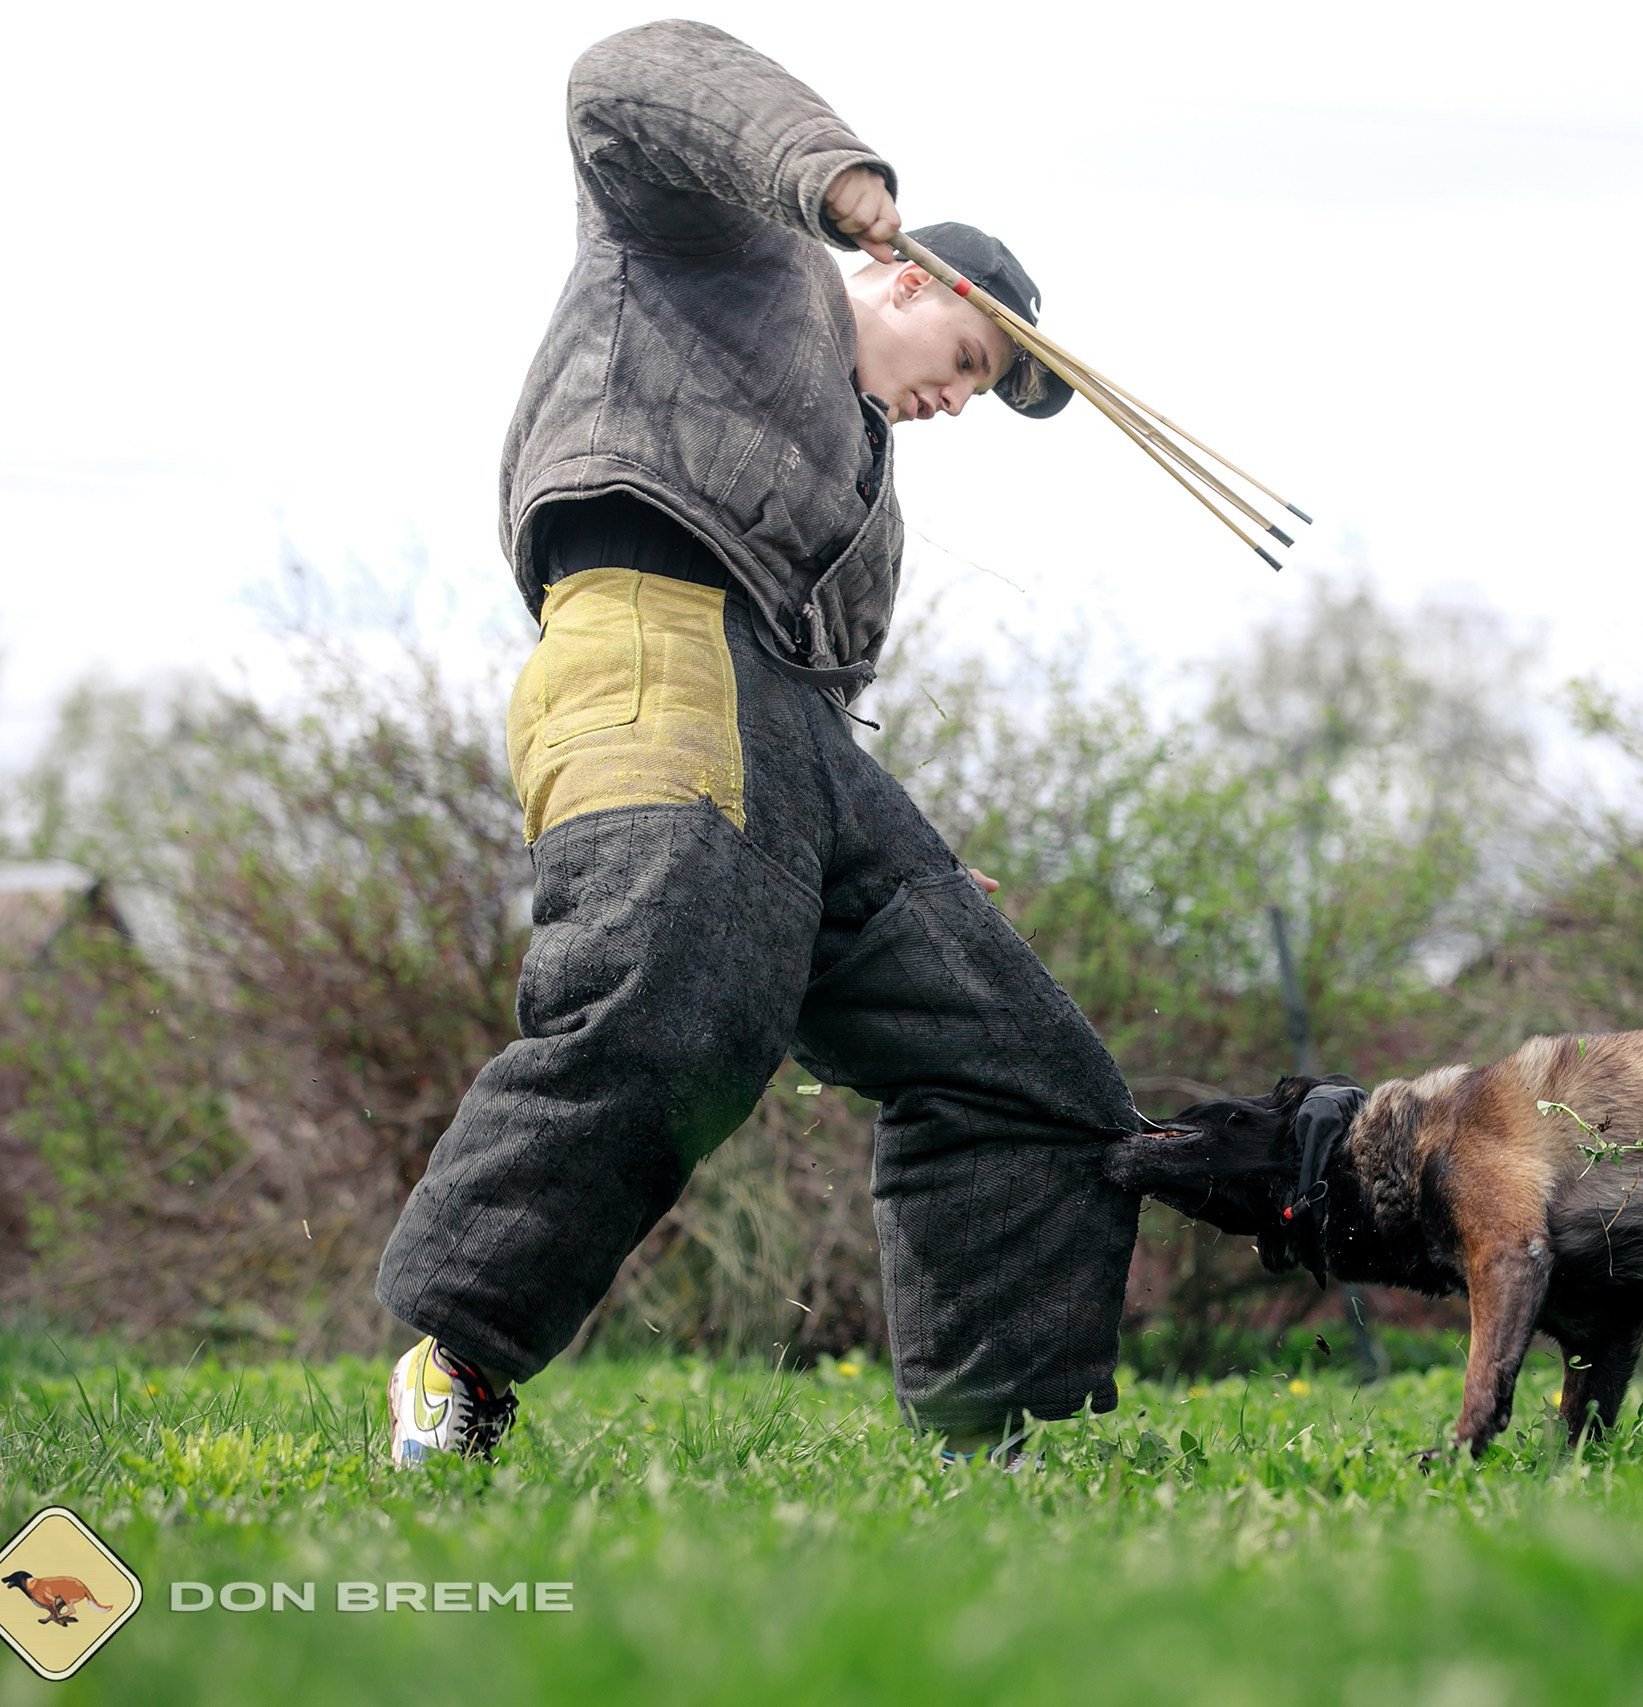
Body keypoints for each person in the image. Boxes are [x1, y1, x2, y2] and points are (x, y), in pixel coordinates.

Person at [377, 18, 1146, 1466]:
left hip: (798, 745)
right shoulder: (730, 252)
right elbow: (626, 77)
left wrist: (918, 878)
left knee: (1022, 1060)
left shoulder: (875, 495)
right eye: (968, 356)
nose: (959, 396)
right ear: (902, 273)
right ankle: (457, 1362)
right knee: (675, 1003)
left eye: (984, 387)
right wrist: (831, 175)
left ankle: (998, 1439)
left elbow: (826, 703)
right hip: (647, 635)